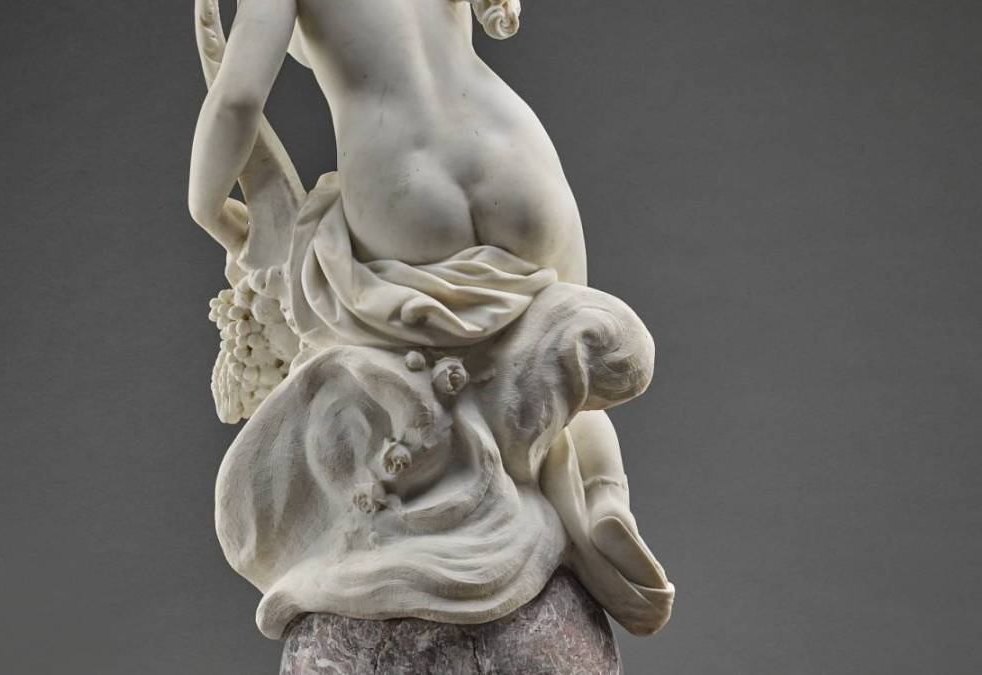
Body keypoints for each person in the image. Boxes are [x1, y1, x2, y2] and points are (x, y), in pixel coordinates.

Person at [189, 0, 668, 590]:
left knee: (401, 356)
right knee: (564, 341)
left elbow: (237, 100)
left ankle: (440, 495)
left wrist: (207, 207)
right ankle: (606, 499)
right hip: (514, 149)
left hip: (401, 178)